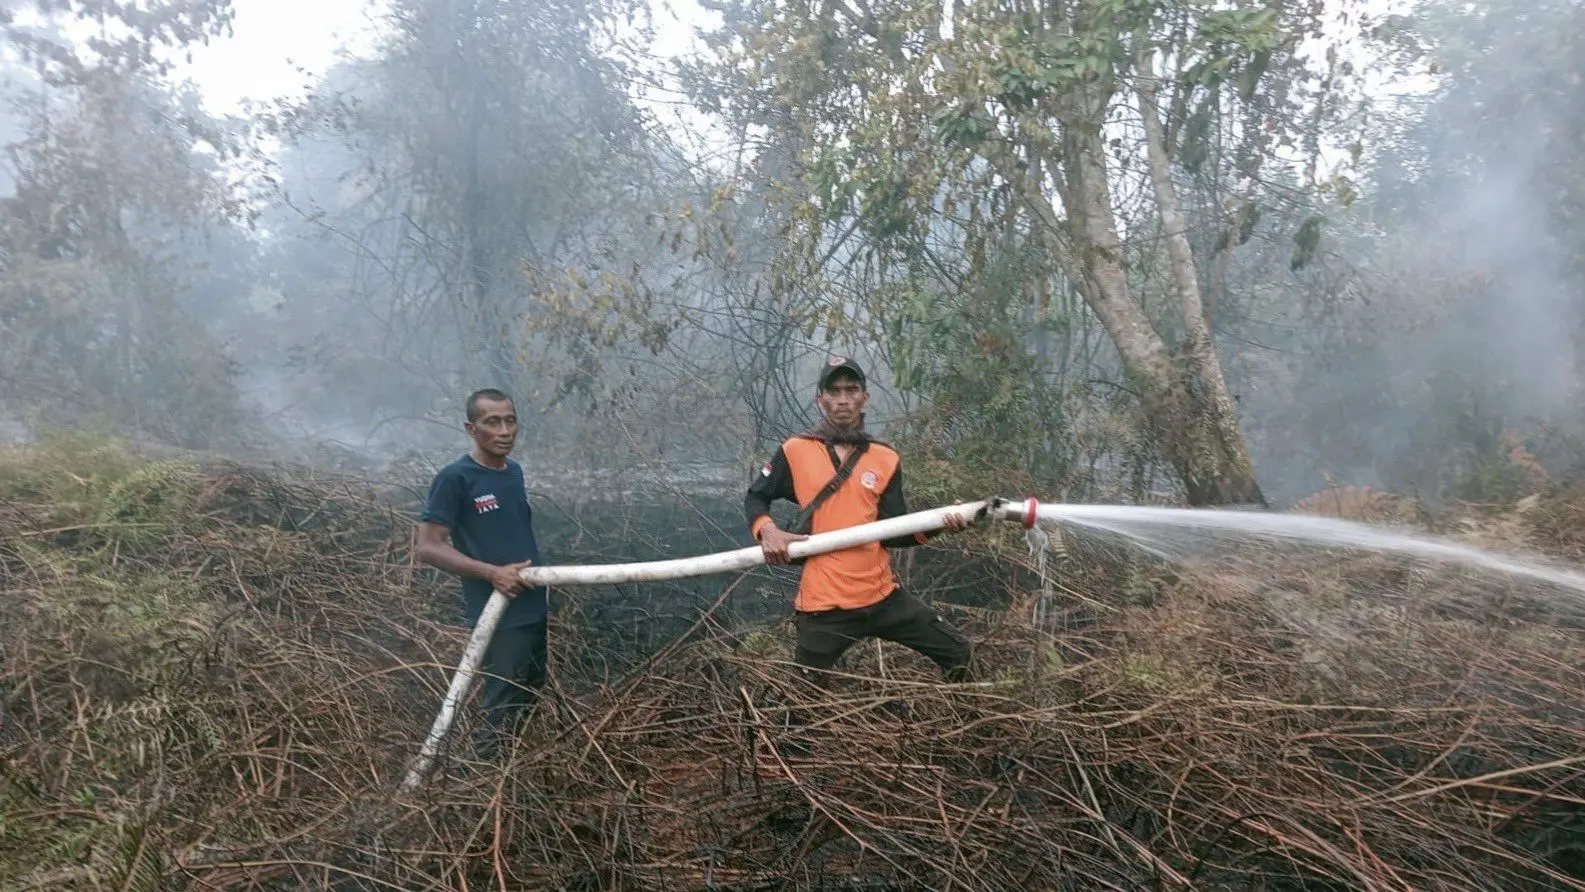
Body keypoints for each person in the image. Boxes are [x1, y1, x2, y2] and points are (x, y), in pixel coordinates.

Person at [745, 356, 975, 682]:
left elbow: (895, 531)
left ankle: (963, 727)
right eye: (834, 391)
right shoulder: (796, 450)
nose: (842, 399)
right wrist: (767, 530)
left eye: (851, 390)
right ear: (820, 399)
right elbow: (756, 496)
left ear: (864, 398)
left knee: (959, 653)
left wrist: (939, 525)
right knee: (803, 700)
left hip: (882, 597)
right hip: (824, 605)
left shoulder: (885, 457)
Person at [416, 388, 548, 762]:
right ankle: (480, 799)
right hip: (498, 614)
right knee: (501, 714)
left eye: (510, 420)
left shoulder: (514, 472)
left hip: (534, 609)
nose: (505, 430)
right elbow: (428, 546)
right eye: (493, 422)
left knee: (528, 706)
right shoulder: (456, 478)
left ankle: (519, 792)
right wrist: (492, 573)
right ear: (471, 429)